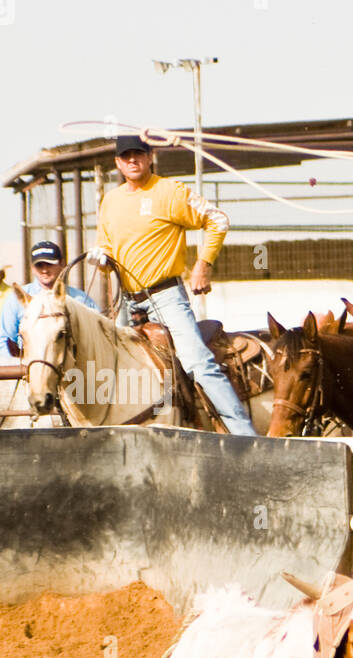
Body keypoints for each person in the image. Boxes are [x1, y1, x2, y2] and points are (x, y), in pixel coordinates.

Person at [88, 135, 255, 435]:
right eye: (126, 156)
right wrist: (101, 259)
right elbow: (106, 246)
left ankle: (246, 437)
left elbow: (218, 219)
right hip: (126, 299)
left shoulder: (170, 191)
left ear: (150, 156)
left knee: (198, 364)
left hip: (165, 297)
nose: (132, 161)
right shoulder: (110, 201)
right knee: (105, 365)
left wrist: (204, 265)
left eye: (138, 154)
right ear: (117, 163)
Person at [0, 241, 97, 357]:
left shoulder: (82, 300)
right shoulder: (16, 299)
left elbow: (98, 336)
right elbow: (4, 342)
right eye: (39, 265)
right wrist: (14, 370)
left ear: (62, 264)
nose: (44, 270)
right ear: (32, 268)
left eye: (49, 264)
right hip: (30, 368)